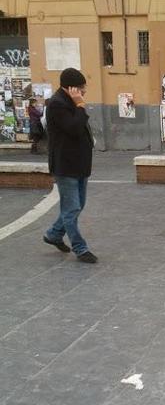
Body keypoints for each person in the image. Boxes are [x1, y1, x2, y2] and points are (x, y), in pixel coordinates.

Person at [43, 67, 97, 264]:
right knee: (72, 207)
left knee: (77, 204)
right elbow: (74, 128)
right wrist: (80, 105)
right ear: (71, 88)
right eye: (81, 87)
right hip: (65, 166)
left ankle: (53, 234)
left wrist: (78, 104)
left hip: (79, 164)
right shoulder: (57, 104)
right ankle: (80, 248)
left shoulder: (69, 102)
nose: (84, 91)